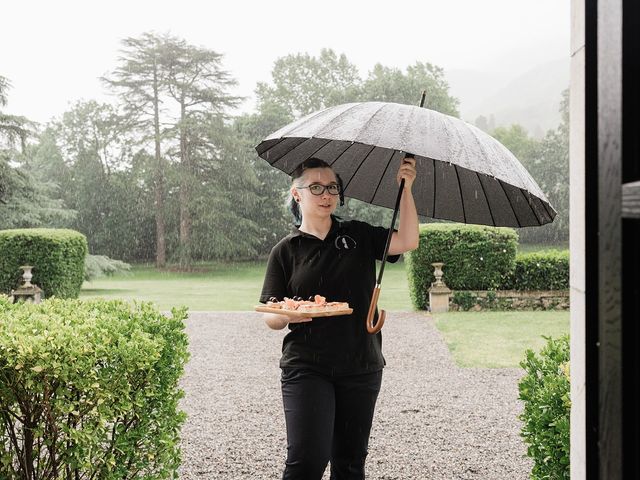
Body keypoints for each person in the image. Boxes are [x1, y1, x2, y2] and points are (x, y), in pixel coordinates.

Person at [259, 156, 419, 480]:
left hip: (361, 365)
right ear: (297, 194)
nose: (326, 194)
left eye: (332, 187)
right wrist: (288, 313)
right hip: (307, 366)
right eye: (316, 187)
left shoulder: (357, 235)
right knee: (307, 462)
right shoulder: (286, 251)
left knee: (349, 465)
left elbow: (408, 240)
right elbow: (271, 316)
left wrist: (406, 190)